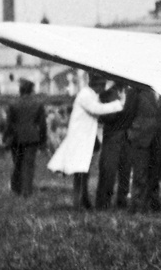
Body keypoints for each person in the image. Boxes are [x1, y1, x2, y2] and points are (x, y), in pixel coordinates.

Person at [47, 73, 125, 208]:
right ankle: (79, 203)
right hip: (80, 139)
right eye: (101, 85)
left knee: (83, 173)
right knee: (80, 173)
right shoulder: (85, 95)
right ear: (96, 84)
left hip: (84, 139)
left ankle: (83, 201)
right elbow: (98, 109)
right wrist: (119, 104)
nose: (102, 88)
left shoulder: (90, 94)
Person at [125, 85, 161, 212]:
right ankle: (137, 206)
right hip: (141, 136)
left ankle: (153, 203)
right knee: (140, 173)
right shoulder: (137, 90)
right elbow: (128, 112)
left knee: (155, 172)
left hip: (158, 136)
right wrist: (133, 131)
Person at [2, 79, 49, 197]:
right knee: (28, 164)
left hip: (16, 137)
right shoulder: (38, 104)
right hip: (32, 137)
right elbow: (42, 124)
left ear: (20, 90)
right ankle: (26, 191)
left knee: (17, 163)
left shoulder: (13, 103)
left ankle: (16, 188)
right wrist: (43, 140)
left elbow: (9, 123)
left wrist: (5, 136)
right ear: (32, 90)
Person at [94, 80, 136, 209]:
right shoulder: (106, 94)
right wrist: (118, 107)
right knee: (108, 171)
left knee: (125, 171)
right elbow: (103, 117)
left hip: (126, 137)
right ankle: (103, 202)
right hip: (112, 137)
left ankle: (121, 201)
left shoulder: (133, 94)